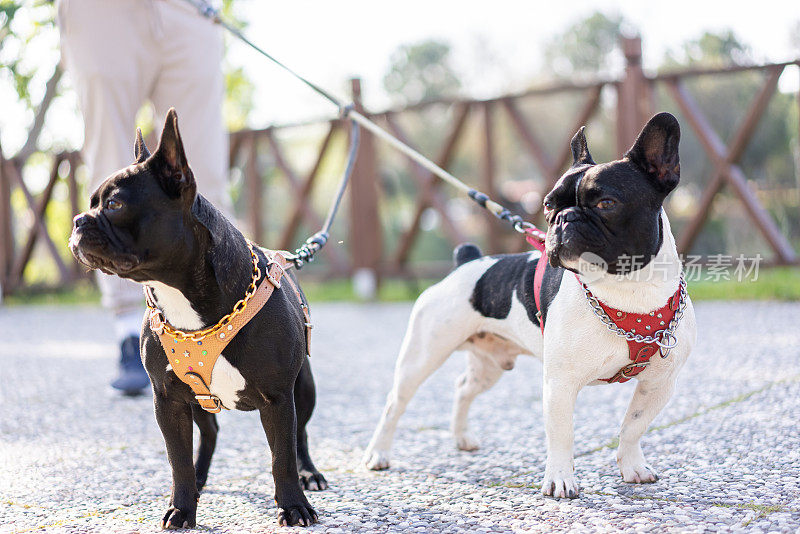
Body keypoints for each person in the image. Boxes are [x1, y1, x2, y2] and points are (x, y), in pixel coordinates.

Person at [56, 0, 230, 395]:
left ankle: (222, 321)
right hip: (101, 11)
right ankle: (129, 332)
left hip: (189, 9)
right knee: (110, 163)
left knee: (203, 173)